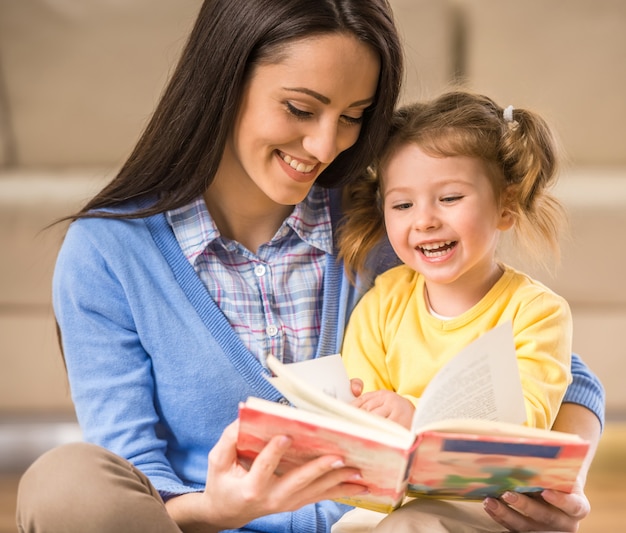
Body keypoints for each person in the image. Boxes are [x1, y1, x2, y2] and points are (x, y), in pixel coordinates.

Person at [14, 0, 603, 531]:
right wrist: (220, 509)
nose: (326, 147)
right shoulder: (110, 252)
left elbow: (560, 371)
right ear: (224, 81)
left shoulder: (383, 222)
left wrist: (556, 488)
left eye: (353, 116)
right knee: (64, 484)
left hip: (381, 526)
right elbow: (135, 473)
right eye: (301, 108)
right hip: (207, 526)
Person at [336, 90, 599, 532]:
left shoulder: (537, 312)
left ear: (506, 206)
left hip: (487, 502)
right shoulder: (382, 301)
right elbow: (366, 414)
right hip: (390, 505)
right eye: (403, 205)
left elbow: (526, 423)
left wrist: (415, 415)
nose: (424, 220)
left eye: (450, 198)